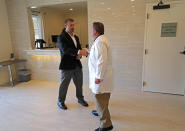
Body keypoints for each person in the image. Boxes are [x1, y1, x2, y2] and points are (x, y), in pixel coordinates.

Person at [57, 18, 89, 110]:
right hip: (67, 65)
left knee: (79, 83)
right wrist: (78, 52)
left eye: (73, 25)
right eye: (70, 25)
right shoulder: (61, 37)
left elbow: (78, 48)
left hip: (77, 64)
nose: (73, 27)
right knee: (64, 84)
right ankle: (60, 101)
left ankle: (80, 99)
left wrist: (80, 54)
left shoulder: (76, 37)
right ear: (65, 26)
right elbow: (65, 50)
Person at [88, 22, 114, 131]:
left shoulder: (100, 42)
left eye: (92, 29)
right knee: (103, 98)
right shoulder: (101, 40)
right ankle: (100, 111)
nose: (91, 31)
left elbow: (101, 61)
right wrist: (89, 53)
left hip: (101, 76)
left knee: (100, 98)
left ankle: (106, 125)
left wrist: (98, 76)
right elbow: (98, 56)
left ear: (95, 31)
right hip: (103, 75)